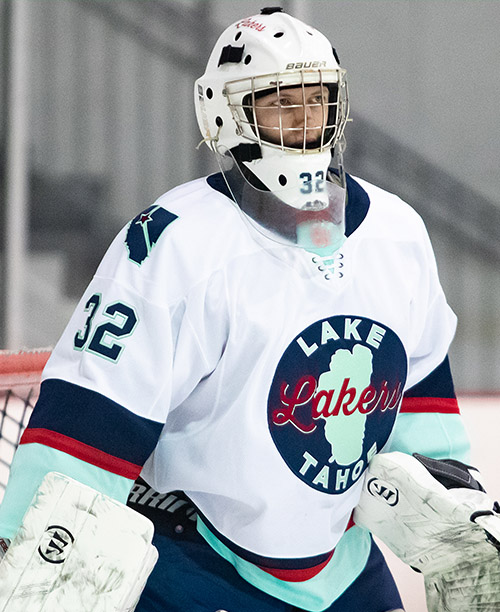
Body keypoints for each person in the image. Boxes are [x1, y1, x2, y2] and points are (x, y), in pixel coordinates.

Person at [0, 7, 472, 612]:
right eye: (281, 105)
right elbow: (92, 413)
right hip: (194, 562)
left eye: (317, 102)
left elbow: (419, 382)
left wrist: (452, 490)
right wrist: (35, 543)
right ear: (226, 115)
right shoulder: (175, 243)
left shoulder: (397, 234)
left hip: (341, 566)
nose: (305, 124)